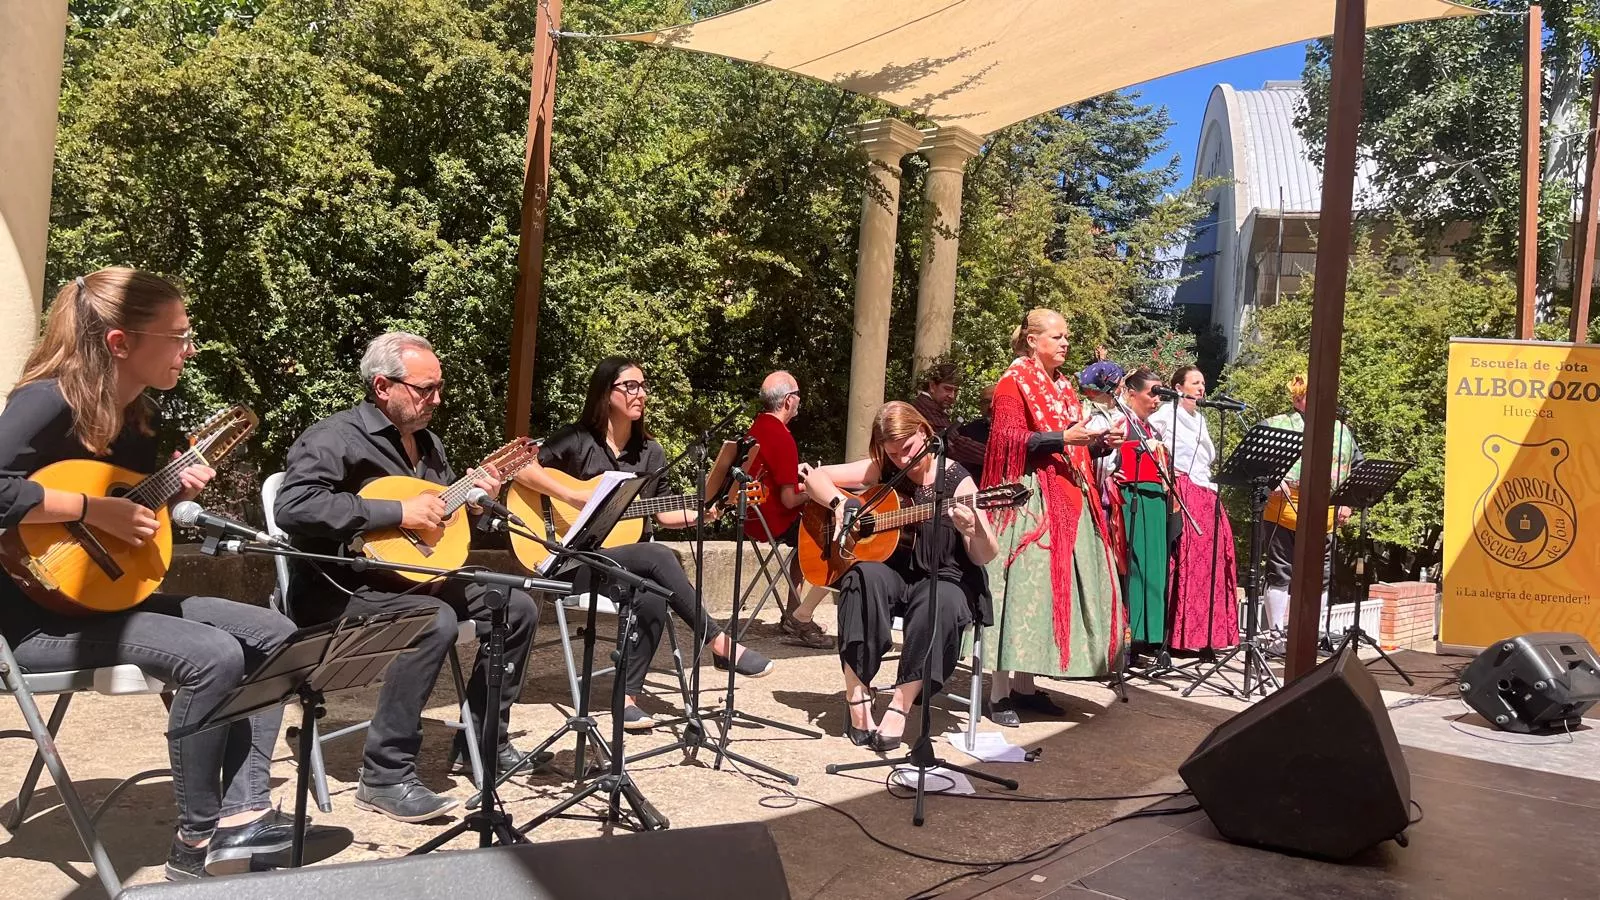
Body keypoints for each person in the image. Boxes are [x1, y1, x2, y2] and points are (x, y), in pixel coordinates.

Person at [0, 268, 336, 880]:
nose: (190, 348)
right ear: (120, 343)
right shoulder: (47, 400)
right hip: (28, 620)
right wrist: (91, 508)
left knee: (275, 635)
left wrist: (166, 491)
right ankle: (196, 843)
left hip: (101, 600)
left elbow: (122, 530)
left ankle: (244, 816)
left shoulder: (137, 418)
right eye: (177, 336)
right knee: (211, 655)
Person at [275, 331, 542, 824]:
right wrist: (397, 509)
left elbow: (439, 527)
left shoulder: (429, 445)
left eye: (439, 388)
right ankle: (384, 775)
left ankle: (482, 744)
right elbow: (293, 506)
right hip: (340, 589)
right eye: (426, 389)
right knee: (433, 619)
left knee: (517, 605)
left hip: (410, 578)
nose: (436, 399)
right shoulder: (333, 437)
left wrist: (478, 497)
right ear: (383, 386)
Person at [513, 357, 772, 732]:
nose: (641, 394)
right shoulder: (575, 440)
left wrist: (706, 514)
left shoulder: (650, 453)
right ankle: (718, 642)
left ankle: (626, 698)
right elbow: (518, 466)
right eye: (630, 386)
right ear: (605, 393)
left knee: (652, 593)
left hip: (613, 563)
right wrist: (571, 496)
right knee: (657, 555)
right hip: (565, 557)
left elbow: (665, 515)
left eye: (643, 385)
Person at [802, 402, 997, 751]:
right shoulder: (885, 469)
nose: (902, 460)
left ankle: (900, 704)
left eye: (907, 449)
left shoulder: (957, 480)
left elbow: (985, 555)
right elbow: (813, 477)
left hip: (945, 576)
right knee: (861, 578)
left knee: (938, 600)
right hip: (894, 572)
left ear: (924, 432)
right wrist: (840, 505)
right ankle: (857, 691)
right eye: (893, 454)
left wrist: (976, 529)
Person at [981, 309, 1126, 727]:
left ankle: (1025, 688)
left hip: (1067, 492)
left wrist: (1098, 443)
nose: (1065, 343)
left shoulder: (1063, 387)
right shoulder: (1013, 382)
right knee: (1022, 592)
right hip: (1027, 496)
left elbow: (1072, 444)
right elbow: (1005, 440)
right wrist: (1064, 436)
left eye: (1067, 336)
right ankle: (999, 693)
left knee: (1042, 595)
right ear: (1032, 340)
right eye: (1058, 336)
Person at [1258, 375, 1359, 641]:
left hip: (1324, 507)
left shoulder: (1341, 431)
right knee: (1280, 570)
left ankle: (1312, 632)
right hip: (1285, 504)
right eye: (1305, 396)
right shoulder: (1276, 424)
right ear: (1296, 400)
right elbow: (1256, 462)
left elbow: (1355, 467)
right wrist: (1272, 479)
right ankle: (1276, 633)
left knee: (1321, 573)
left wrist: (1347, 502)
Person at [1150, 365, 1238, 653]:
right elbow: (1156, 452)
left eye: (1203, 382)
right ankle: (1179, 638)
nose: (1201, 388)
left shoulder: (1199, 418)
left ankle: (1206, 637)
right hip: (1183, 490)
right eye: (1195, 383)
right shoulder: (1164, 415)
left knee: (1212, 563)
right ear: (1178, 388)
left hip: (1205, 491)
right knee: (1188, 560)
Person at [746, 371, 831, 649]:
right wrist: (816, 489)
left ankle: (793, 613)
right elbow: (789, 501)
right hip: (771, 520)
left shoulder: (758, 426)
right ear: (787, 401)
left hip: (750, 516)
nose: (798, 401)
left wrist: (796, 474)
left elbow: (768, 473)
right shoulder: (782, 437)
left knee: (804, 539)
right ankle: (799, 617)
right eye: (796, 396)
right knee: (825, 537)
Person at [1116, 368, 1171, 656]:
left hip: (1155, 497)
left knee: (1153, 568)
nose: (1157, 399)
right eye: (1153, 392)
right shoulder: (1120, 420)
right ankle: (1129, 634)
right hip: (1131, 494)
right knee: (1134, 566)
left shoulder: (1151, 428)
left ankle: (1148, 636)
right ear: (1131, 392)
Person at [910, 361, 989, 473]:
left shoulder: (929, 407)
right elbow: (956, 444)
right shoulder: (926, 409)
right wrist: (997, 456)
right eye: (947, 389)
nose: (952, 395)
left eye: (955, 391)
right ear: (932, 386)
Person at [953, 382, 996, 476]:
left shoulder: (1017, 432)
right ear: (980, 405)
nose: (990, 406)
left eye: (995, 400)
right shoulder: (966, 432)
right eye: (986, 402)